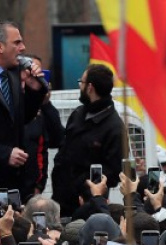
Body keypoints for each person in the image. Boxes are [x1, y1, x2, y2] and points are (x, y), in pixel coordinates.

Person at [52, 64, 128, 217]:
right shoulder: (78, 114)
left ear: (90, 87)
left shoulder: (115, 128)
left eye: (82, 82)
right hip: (61, 200)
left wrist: (86, 189)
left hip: (90, 206)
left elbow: (112, 173)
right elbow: (64, 150)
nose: (80, 86)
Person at [0, 20, 47, 203]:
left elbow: (21, 119)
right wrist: (4, 153)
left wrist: (35, 91)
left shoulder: (11, 74)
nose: (23, 47)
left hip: (11, 181)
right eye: (17, 42)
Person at [22, 54, 64, 201]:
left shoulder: (42, 110)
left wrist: (45, 103)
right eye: (33, 72)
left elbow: (57, 139)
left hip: (33, 187)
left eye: (40, 73)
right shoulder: (11, 101)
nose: (37, 76)